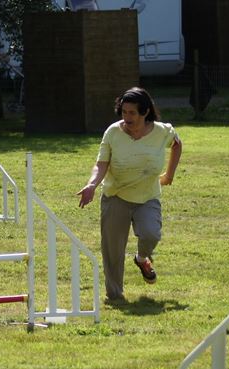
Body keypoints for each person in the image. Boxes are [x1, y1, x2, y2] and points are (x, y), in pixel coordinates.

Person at [76, 86, 182, 302]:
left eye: (132, 113)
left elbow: (177, 145)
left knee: (151, 233)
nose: (127, 117)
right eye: (124, 112)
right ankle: (115, 296)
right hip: (116, 196)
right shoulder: (113, 132)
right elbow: (101, 164)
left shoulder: (162, 131)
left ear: (145, 112)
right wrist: (92, 185)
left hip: (147, 196)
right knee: (113, 249)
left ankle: (142, 258)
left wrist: (169, 175)